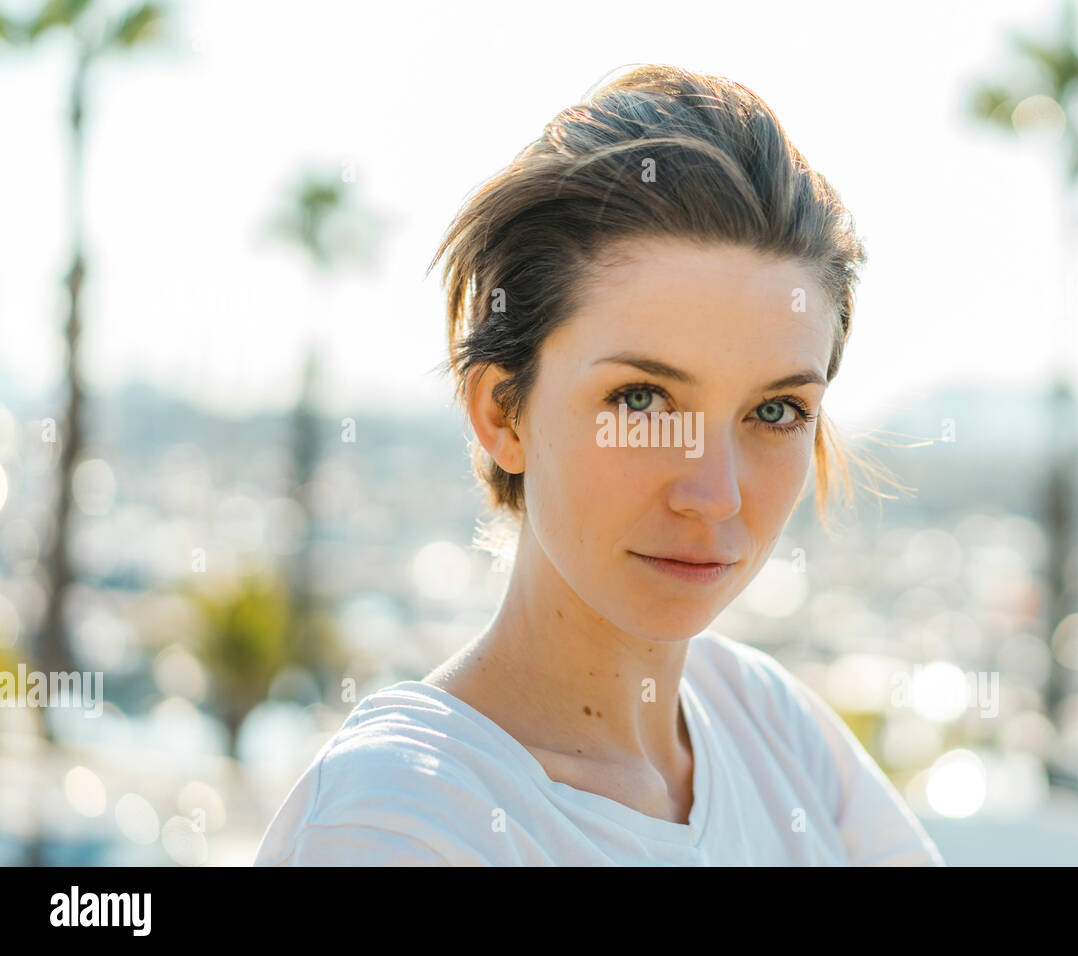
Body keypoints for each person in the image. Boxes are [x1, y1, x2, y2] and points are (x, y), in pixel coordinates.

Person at [255, 63, 945, 866]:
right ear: (502, 412)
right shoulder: (397, 825)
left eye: (774, 412)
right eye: (644, 401)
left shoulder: (771, 727)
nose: (714, 495)